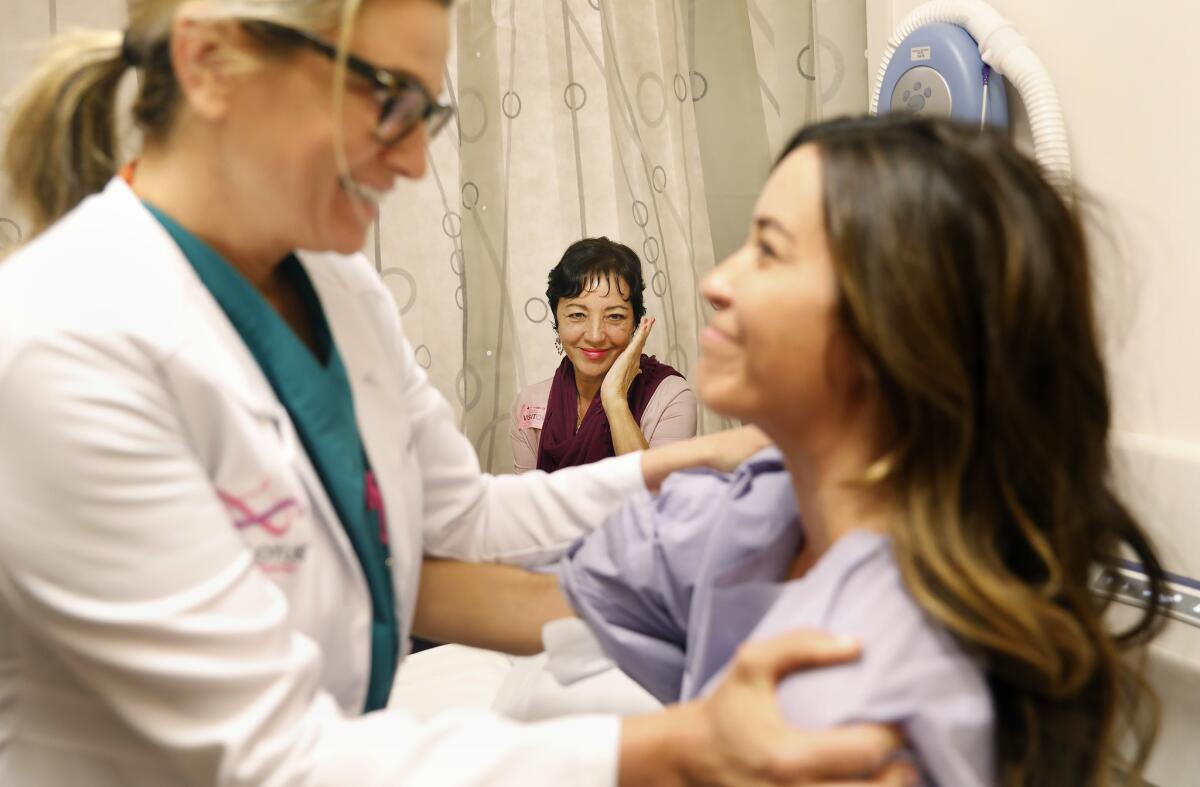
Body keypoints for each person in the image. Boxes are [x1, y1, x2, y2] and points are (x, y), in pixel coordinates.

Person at [0, 2, 913, 785]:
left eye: (423, 114)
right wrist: (681, 744)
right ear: (208, 63)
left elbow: (463, 515)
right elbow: (278, 756)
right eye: (385, 100)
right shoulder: (65, 344)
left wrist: (691, 459)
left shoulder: (336, 284)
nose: (410, 165)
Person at [414, 115, 1170, 786]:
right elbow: (539, 599)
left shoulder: (870, 694)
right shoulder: (761, 506)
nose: (716, 281)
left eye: (768, 252)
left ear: (889, 329)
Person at [511, 237, 696, 474]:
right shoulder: (530, 403)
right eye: (577, 315)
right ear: (557, 321)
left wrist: (615, 401)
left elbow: (659, 500)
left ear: (635, 324)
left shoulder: (670, 397)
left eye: (615, 316)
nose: (596, 335)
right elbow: (526, 504)